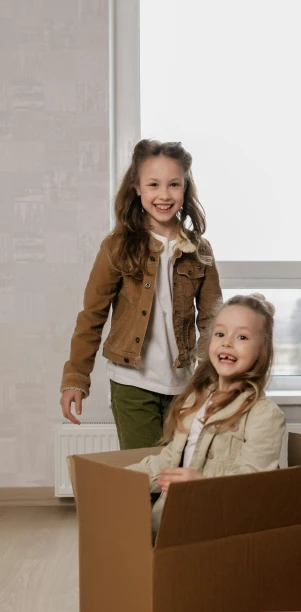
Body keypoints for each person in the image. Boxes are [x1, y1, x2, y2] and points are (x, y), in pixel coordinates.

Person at [60, 139, 222, 449]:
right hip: (132, 383)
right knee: (144, 476)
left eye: (174, 184)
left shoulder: (200, 251)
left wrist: (213, 380)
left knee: (178, 478)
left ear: (186, 188)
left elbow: (213, 322)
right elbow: (92, 316)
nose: (164, 195)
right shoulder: (117, 246)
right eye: (153, 184)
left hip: (184, 385)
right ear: (137, 187)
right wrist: (76, 379)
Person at [126, 294, 286, 537]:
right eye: (220, 334)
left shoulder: (264, 415)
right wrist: (121, 479)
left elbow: (254, 487)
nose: (227, 343)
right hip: (170, 525)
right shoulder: (196, 400)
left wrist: (204, 486)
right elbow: (170, 460)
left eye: (242, 337)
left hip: (217, 532)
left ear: (262, 351)